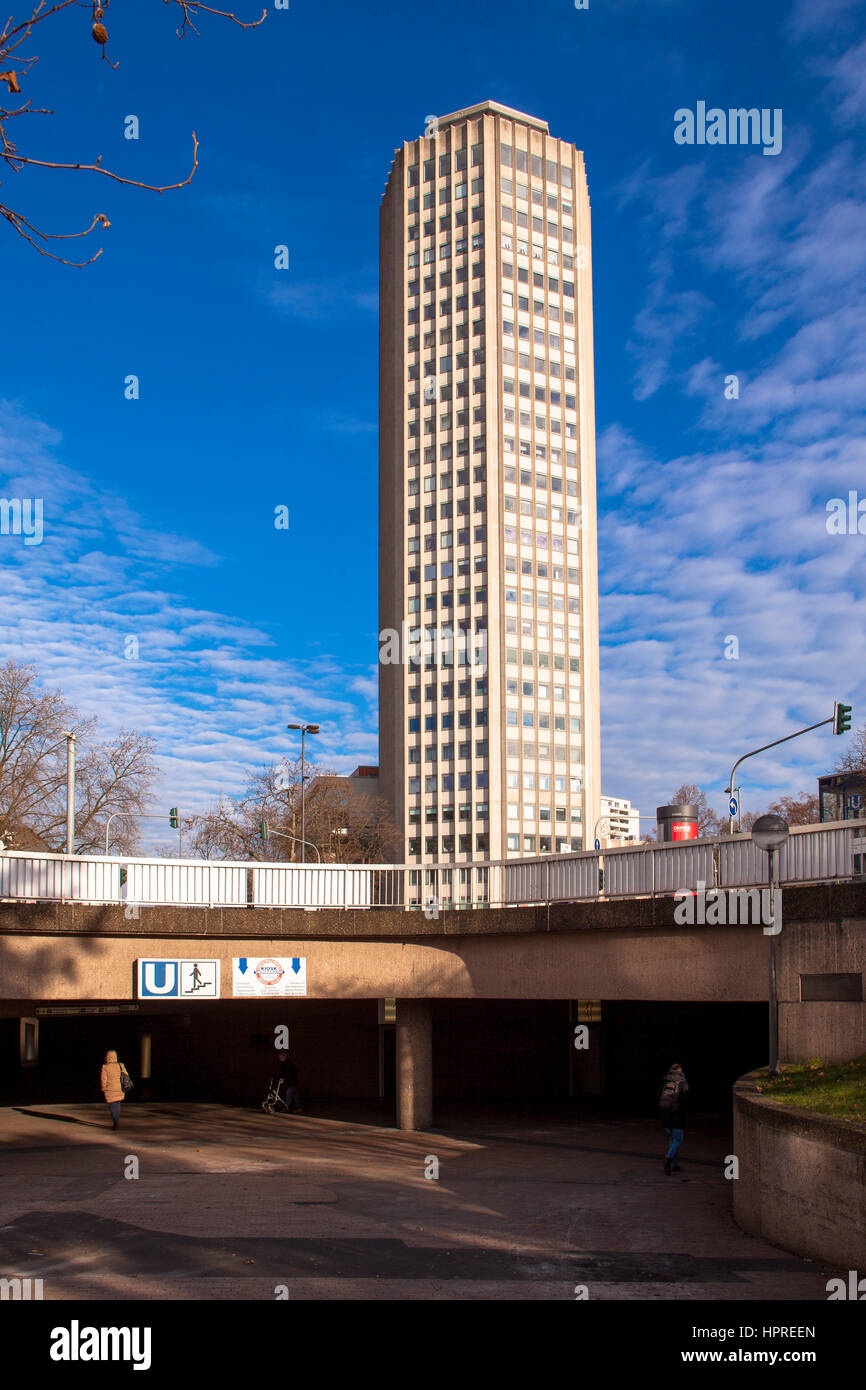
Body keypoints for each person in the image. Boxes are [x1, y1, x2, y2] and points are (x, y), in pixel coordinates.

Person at [657, 1061, 689, 1174]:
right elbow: (685, 1101)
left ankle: (674, 1164)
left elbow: (658, 1096)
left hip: (665, 1114)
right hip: (677, 1115)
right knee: (678, 1139)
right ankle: (668, 1159)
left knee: (672, 1139)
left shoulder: (665, 1082)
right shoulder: (683, 1083)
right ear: (681, 1071)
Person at [100, 1048, 130, 1130]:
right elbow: (126, 1074)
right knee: (117, 1104)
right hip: (120, 1088)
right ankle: (116, 1119)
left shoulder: (105, 1067)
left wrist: (103, 1088)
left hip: (110, 1089)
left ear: (107, 1057)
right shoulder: (120, 1065)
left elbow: (104, 1079)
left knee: (112, 1106)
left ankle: (115, 1120)